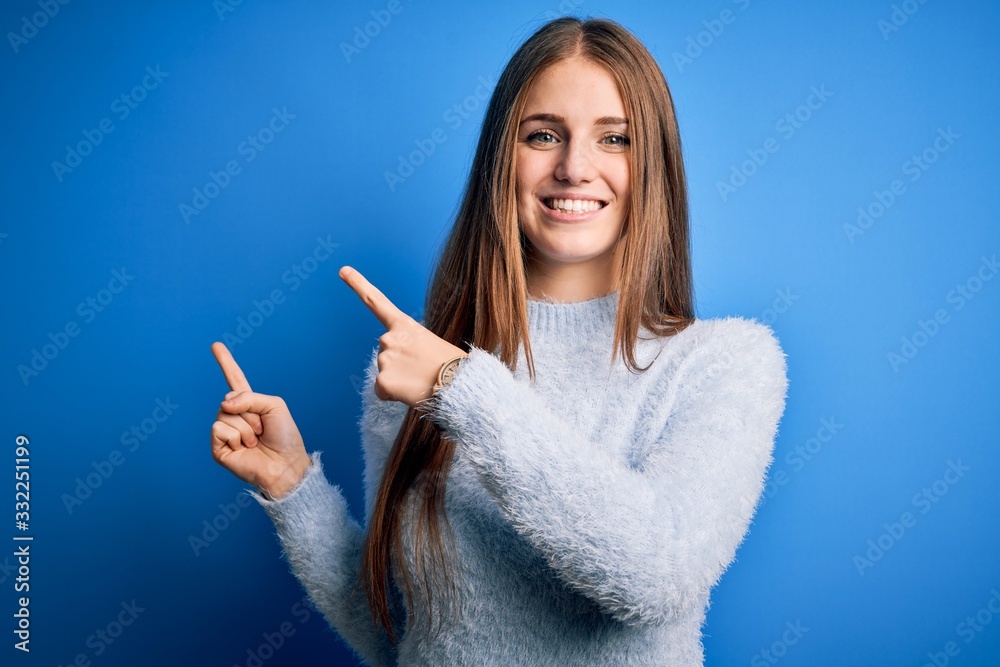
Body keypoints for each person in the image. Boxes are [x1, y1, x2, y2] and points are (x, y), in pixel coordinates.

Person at [208, 16, 788, 666]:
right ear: (500, 160)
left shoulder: (725, 363)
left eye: (615, 139)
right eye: (543, 135)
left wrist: (463, 392)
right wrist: (295, 489)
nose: (574, 167)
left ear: (654, 165)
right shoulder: (412, 368)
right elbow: (400, 630)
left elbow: (658, 574)